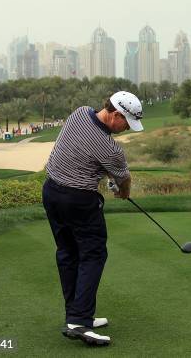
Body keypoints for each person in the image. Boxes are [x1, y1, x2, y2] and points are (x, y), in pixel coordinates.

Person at [42, 91, 143, 347]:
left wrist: (105, 175)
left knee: (67, 253)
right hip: (79, 202)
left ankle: (75, 314)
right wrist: (123, 192)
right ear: (116, 114)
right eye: (126, 123)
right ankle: (79, 321)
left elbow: (83, 154)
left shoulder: (79, 113)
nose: (125, 129)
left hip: (52, 192)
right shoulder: (111, 149)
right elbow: (124, 180)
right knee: (93, 255)